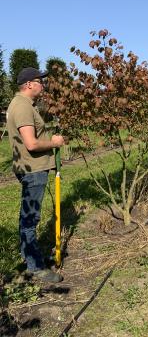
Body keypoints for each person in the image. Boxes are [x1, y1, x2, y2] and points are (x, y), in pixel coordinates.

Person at [6, 67, 65, 283]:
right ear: (29, 84)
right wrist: (55, 143)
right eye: (40, 81)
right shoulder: (22, 107)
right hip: (33, 170)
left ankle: (30, 256)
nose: (43, 84)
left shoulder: (23, 105)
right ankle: (35, 267)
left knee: (28, 217)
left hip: (32, 168)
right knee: (30, 219)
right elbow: (31, 144)